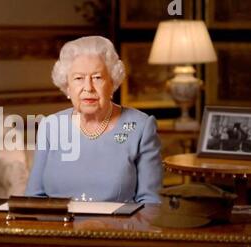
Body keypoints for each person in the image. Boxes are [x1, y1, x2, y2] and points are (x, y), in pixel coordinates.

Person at [25, 36, 162, 203]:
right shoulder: (51, 126)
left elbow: (151, 204)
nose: (88, 88)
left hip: (118, 228)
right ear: (67, 86)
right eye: (78, 78)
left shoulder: (139, 127)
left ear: (112, 83)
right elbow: (33, 198)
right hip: (58, 227)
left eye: (97, 77)